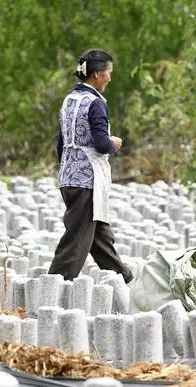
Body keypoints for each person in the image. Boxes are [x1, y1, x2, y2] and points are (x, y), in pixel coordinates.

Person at [48, 49, 133, 283]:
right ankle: (52, 288)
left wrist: (68, 170)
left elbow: (61, 143)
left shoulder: (69, 100)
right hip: (88, 181)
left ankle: (124, 279)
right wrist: (113, 142)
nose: (110, 78)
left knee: (100, 238)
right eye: (108, 73)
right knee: (76, 241)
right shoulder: (95, 103)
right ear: (97, 74)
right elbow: (101, 144)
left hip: (69, 177)